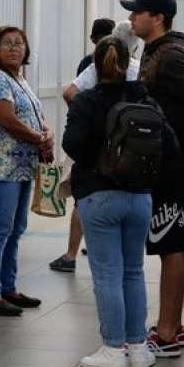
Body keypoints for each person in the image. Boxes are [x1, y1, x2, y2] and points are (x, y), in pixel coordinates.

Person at [63, 36, 170, 367]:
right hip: (140, 196)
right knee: (133, 271)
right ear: (129, 64)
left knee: (107, 275)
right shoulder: (146, 100)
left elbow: (73, 145)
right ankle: (138, 348)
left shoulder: (88, 102)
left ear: (95, 65)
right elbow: (165, 141)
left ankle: (112, 350)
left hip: (99, 195)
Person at [122, 0, 184, 357]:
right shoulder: (165, 50)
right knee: (168, 243)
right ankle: (169, 324)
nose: (132, 18)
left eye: (137, 12)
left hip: (171, 164)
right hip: (168, 162)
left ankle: (169, 331)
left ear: (157, 17)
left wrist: (166, 135)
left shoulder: (171, 55)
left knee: (172, 242)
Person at [0, 25, 51, 316]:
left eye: (19, 43)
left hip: (23, 165)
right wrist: (38, 138)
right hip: (3, 165)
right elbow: (7, 119)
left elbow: (37, 116)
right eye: (7, 44)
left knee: (16, 229)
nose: (14, 48)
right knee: (0, 229)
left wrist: (48, 133)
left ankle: (8, 286)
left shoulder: (20, 79)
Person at [48, 17, 116, 274]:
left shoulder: (90, 63)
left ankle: (71, 254)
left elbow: (71, 93)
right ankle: (96, 245)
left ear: (92, 39)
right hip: (121, 148)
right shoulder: (129, 64)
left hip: (91, 145)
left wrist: (82, 119)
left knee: (82, 198)